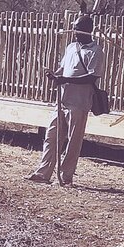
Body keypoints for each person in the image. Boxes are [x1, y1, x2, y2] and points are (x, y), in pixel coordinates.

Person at [25, 15, 105, 186]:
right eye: (74, 29)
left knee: (73, 141)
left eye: (78, 30)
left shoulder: (96, 51)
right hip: (62, 99)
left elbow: (92, 77)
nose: (75, 33)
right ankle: (43, 173)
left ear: (87, 31)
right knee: (51, 136)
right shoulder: (71, 47)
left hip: (79, 102)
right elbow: (63, 69)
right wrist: (55, 75)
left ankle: (65, 177)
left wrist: (66, 80)